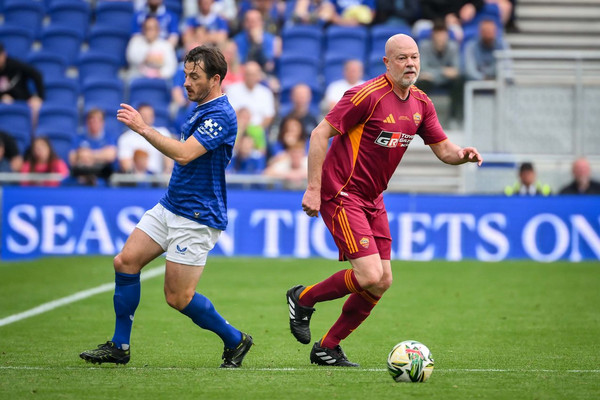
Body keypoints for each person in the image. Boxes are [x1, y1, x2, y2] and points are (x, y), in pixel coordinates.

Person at [286, 34, 482, 367]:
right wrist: (313, 189)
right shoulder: (366, 95)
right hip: (342, 192)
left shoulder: (421, 103)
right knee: (368, 275)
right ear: (387, 63)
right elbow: (319, 134)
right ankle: (303, 298)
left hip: (373, 198)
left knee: (382, 281)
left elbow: (445, 150)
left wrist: (463, 155)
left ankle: (327, 347)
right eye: (402, 58)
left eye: (414, 57)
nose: (410, 64)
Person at [80, 45, 253, 368]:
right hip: (171, 205)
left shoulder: (221, 115)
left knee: (178, 297)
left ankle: (235, 339)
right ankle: (119, 345)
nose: (186, 82)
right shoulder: (200, 107)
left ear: (215, 79)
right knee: (125, 262)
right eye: (185, 75)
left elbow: (185, 154)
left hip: (197, 215)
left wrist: (143, 128)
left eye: (195, 76)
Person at [417, 19, 464, 122]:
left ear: (447, 36)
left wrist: (434, 73)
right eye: (438, 35)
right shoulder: (424, 46)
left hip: (443, 79)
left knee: (460, 81)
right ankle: (420, 118)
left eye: (443, 35)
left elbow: (456, 70)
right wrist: (444, 71)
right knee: (421, 83)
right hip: (430, 80)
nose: (441, 39)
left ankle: (456, 117)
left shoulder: (453, 47)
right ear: (433, 35)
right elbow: (422, 69)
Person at [118, 103, 174, 175]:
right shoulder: (126, 138)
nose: (147, 117)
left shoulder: (163, 133)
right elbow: (126, 165)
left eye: (150, 115)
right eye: (144, 115)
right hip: (135, 178)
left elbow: (169, 162)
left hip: (158, 179)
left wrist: (167, 174)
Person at [0, 43, 44, 125]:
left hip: (23, 100)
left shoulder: (15, 65)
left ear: (4, 54)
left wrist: (40, 96)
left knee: (36, 106)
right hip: (4, 103)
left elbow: (37, 75)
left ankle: (32, 131)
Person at [69, 108, 118, 180]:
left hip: (103, 176)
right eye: (92, 121)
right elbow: (72, 159)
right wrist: (101, 155)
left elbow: (110, 155)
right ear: (87, 122)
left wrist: (87, 155)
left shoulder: (109, 137)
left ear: (102, 122)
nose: (94, 124)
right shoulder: (79, 138)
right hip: (81, 175)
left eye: (97, 121)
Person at [225, 61, 275, 131]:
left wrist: (256, 130)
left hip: (258, 130)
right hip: (237, 128)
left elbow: (269, 116)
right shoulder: (232, 90)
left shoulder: (266, 93)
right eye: (249, 74)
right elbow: (229, 113)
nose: (251, 77)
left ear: (259, 76)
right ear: (244, 75)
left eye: (254, 75)